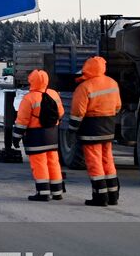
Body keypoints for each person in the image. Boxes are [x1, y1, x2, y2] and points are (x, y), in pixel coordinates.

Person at [69, 56, 121, 206]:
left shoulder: (85, 87)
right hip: (108, 127)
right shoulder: (112, 83)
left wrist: (72, 129)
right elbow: (117, 106)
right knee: (108, 160)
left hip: (91, 128)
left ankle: (100, 197)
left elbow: (78, 112)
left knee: (94, 162)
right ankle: (113, 195)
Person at [15, 69, 65, 201]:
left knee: (39, 164)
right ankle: (57, 191)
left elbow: (22, 121)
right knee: (53, 162)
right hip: (52, 136)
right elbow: (60, 113)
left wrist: (16, 136)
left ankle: (43, 193)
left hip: (35, 137)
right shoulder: (54, 94)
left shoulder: (29, 98)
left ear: (31, 81)